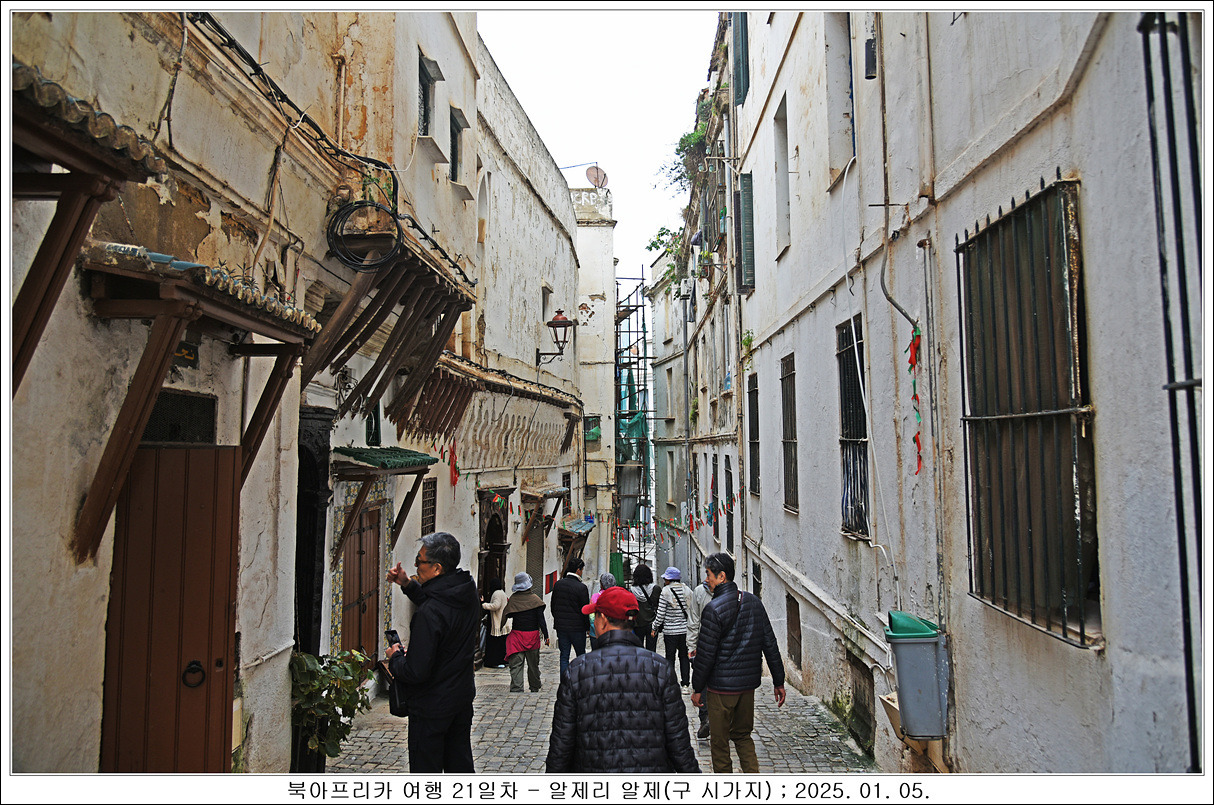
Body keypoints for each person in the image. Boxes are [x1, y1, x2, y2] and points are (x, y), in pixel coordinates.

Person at [545, 586, 700, 773]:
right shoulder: (660, 669)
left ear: (603, 620)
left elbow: (561, 744)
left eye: (595, 617)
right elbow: (679, 742)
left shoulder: (577, 671)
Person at [385, 531, 480, 773]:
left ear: (437, 568)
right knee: (459, 766)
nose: (416, 566)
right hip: (460, 699)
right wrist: (408, 584)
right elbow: (438, 602)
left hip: (431, 707)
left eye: (420, 561)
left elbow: (416, 671)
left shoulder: (428, 615)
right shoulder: (466, 590)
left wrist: (395, 657)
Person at [690, 552, 786, 773]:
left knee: (720, 742)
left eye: (709, 574)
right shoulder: (754, 602)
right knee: (743, 736)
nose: (706, 579)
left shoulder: (713, 609)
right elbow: (770, 644)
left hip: (721, 690)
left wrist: (697, 688)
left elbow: (705, 655)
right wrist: (778, 681)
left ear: (721, 576)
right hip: (746, 689)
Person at [502, 572, 549, 692]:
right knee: (533, 665)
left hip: (517, 636)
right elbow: (541, 620)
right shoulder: (536, 600)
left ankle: (517, 687)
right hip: (532, 636)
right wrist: (546, 635)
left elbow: (507, 614)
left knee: (516, 665)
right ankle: (534, 686)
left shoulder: (513, 599)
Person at [650, 566, 692, 687]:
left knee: (670, 657)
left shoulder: (665, 592)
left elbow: (661, 614)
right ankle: (685, 684)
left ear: (668, 579)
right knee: (684, 657)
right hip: (684, 631)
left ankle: (671, 682)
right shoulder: (687, 590)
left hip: (670, 632)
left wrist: (654, 627)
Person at [685, 572, 715, 739]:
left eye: (709, 574)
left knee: (706, 682)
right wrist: (691, 646)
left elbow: (693, 622)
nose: (706, 579)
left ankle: (709, 719)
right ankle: (706, 719)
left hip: (711, 647)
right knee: (703, 682)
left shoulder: (726, 594)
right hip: (704, 646)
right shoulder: (699, 592)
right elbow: (693, 621)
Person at [550, 557, 591, 678]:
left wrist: (558, 619)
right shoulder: (581, 587)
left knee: (564, 656)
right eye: (582, 570)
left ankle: (564, 681)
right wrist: (587, 627)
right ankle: (581, 680)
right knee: (581, 656)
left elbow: (553, 606)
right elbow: (584, 610)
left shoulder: (558, 584)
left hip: (562, 627)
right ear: (578, 570)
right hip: (577, 628)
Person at [628, 563, 660, 651]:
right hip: (652, 624)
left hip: (638, 624)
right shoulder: (656, 589)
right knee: (651, 650)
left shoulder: (632, 591)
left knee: (638, 650)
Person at [481, 577, 509, 668]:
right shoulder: (502, 592)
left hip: (497, 622)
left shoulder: (497, 593)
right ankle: (502, 661)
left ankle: (495, 662)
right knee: (501, 643)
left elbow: (496, 606)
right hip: (502, 622)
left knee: (495, 644)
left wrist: (484, 604)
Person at [588, 572, 616, 651]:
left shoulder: (595, 597)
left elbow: (591, 617)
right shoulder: (617, 596)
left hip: (596, 634)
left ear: (601, 584)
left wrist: (595, 628)